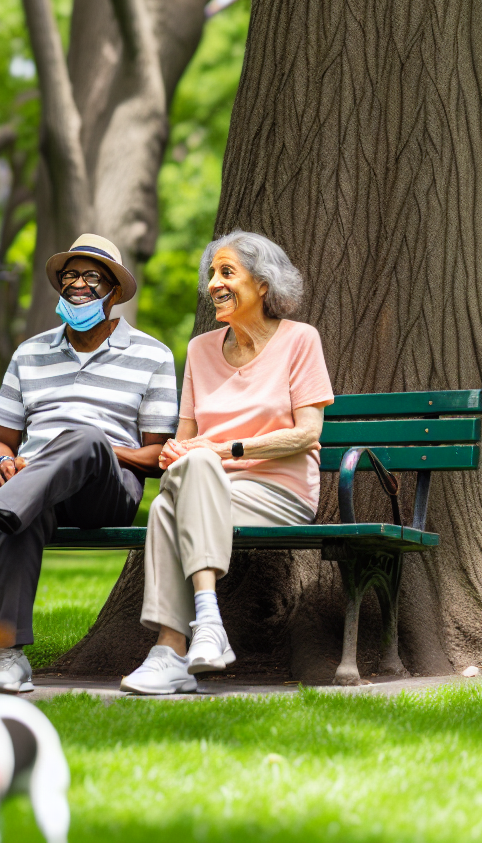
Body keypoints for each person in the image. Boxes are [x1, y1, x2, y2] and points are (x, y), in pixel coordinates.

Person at [0, 235, 178, 694]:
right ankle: (9, 655)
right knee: (21, 510)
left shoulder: (152, 355)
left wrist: (102, 447)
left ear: (113, 291)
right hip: (35, 484)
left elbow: (157, 456)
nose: (78, 285)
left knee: (86, 436)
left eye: (92, 277)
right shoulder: (29, 353)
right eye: (70, 275)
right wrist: (7, 462)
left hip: (106, 492)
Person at [120, 231, 332, 694]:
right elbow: (183, 442)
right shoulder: (199, 349)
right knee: (177, 488)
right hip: (205, 485)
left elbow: (308, 433)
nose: (213, 283)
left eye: (227, 272)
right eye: (212, 273)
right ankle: (202, 630)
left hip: (280, 492)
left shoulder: (300, 341)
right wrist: (180, 451)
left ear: (263, 285)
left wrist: (222, 450)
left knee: (169, 502)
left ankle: (172, 647)